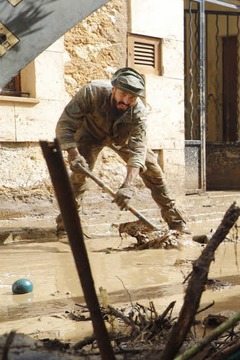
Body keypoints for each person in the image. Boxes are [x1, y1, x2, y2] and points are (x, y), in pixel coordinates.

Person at [55, 67, 189, 236]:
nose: (126, 101)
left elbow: (138, 149)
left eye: (132, 97)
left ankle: (176, 222)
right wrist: (73, 154)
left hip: (121, 138)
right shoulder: (91, 92)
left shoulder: (139, 112)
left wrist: (128, 186)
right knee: (79, 176)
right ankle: (66, 226)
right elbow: (65, 125)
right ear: (114, 89)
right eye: (123, 94)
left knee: (154, 172)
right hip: (89, 134)